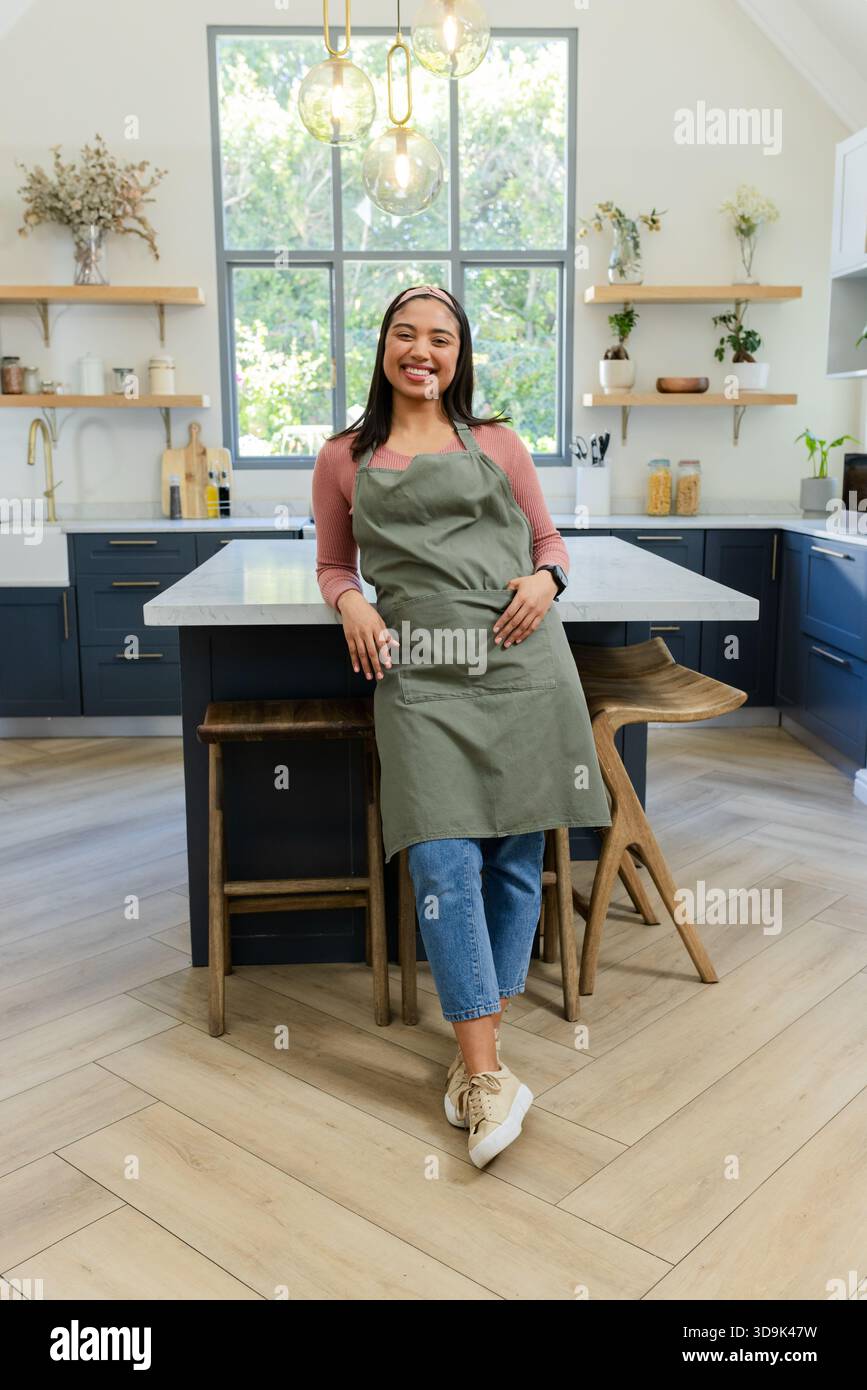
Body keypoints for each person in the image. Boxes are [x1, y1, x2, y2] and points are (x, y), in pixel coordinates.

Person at [312, 285, 610, 1168]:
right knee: (441, 852)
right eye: (406, 334)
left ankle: (477, 1063)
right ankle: (486, 1074)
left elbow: (550, 545)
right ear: (383, 349)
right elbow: (332, 561)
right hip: (418, 670)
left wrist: (544, 583)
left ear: (457, 354)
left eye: (440, 338)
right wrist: (350, 603)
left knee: (517, 855)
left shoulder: (499, 443)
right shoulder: (342, 457)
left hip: (519, 657)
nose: (422, 350)